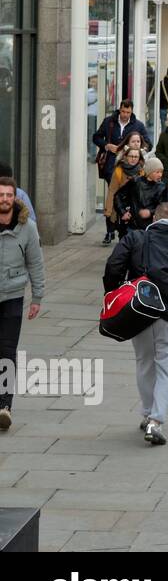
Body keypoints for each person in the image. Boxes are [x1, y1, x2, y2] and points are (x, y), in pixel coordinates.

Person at [104, 202, 168, 446]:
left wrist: (114, 294)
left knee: (144, 364)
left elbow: (113, 267)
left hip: (139, 311)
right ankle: (156, 421)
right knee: (167, 369)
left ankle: (147, 411)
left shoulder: (135, 238)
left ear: (154, 218)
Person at [0, 177, 44, 432]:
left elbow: (36, 264)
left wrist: (37, 297)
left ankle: (4, 406)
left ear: (14, 197)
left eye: (8, 195)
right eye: (1, 194)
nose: (4, 199)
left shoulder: (27, 227)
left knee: (6, 352)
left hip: (13, 296)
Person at [93, 100, 152, 245]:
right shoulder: (109, 122)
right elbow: (96, 137)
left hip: (131, 167)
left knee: (127, 198)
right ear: (119, 109)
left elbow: (148, 144)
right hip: (111, 167)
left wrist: (137, 152)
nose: (125, 115)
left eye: (128, 112)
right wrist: (106, 145)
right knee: (112, 196)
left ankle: (122, 228)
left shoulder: (137, 125)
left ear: (131, 112)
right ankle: (110, 230)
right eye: (123, 112)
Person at [107, 146, 146, 240]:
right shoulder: (119, 170)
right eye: (131, 156)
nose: (133, 159)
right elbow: (112, 190)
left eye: (136, 157)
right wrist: (109, 211)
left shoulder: (142, 171)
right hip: (122, 209)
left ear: (139, 158)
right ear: (126, 156)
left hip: (137, 210)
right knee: (123, 237)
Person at [128, 157, 167, 230]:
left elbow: (164, 207)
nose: (160, 175)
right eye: (157, 172)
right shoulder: (136, 182)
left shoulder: (162, 187)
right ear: (149, 172)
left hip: (152, 227)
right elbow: (119, 196)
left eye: (161, 172)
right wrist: (123, 212)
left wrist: (150, 212)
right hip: (134, 225)